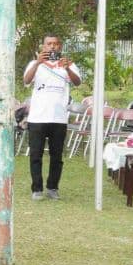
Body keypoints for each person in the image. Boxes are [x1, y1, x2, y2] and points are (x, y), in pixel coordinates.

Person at [22, 34, 79, 200]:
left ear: (60, 46)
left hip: (59, 118)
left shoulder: (68, 64)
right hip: (38, 118)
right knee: (35, 155)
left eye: (55, 44)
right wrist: (38, 62)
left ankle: (53, 187)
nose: (52, 47)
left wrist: (67, 68)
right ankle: (37, 189)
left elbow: (77, 82)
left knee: (57, 156)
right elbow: (26, 80)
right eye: (49, 44)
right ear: (43, 46)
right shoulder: (35, 64)